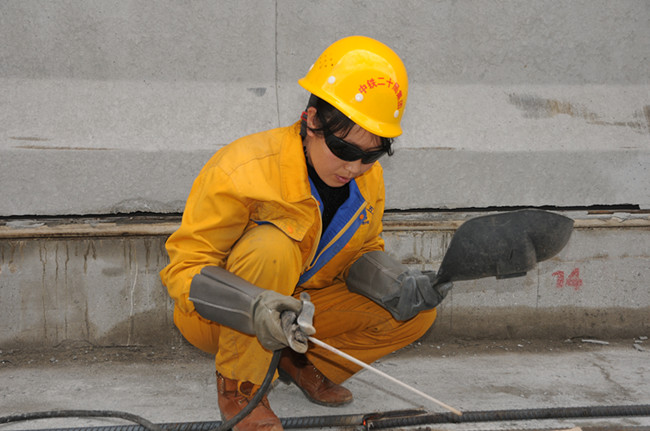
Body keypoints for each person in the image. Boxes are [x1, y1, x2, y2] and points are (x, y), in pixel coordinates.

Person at [160, 35, 452, 431]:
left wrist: (397, 284)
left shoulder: (369, 181)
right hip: (221, 318)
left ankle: (298, 361)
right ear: (311, 119)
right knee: (272, 248)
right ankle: (240, 388)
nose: (355, 167)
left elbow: (364, 250)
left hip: (300, 314)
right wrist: (252, 305)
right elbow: (186, 269)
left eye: (372, 155)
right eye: (346, 151)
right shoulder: (242, 170)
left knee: (415, 313)